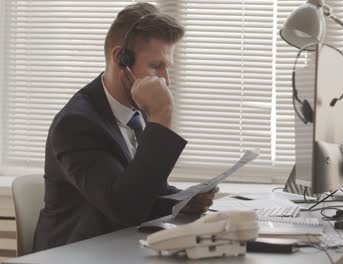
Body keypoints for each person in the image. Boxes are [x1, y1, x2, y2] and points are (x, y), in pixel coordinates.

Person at [33, 2, 217, 252]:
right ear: (121, 59)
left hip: (120, 247)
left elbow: (142, 188)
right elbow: (125, 208)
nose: (165, 80)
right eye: (155, 66)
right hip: (74, 254)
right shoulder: (76, 125)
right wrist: (162, 116)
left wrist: (182, 201)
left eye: (167, 67)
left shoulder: (134, 111)